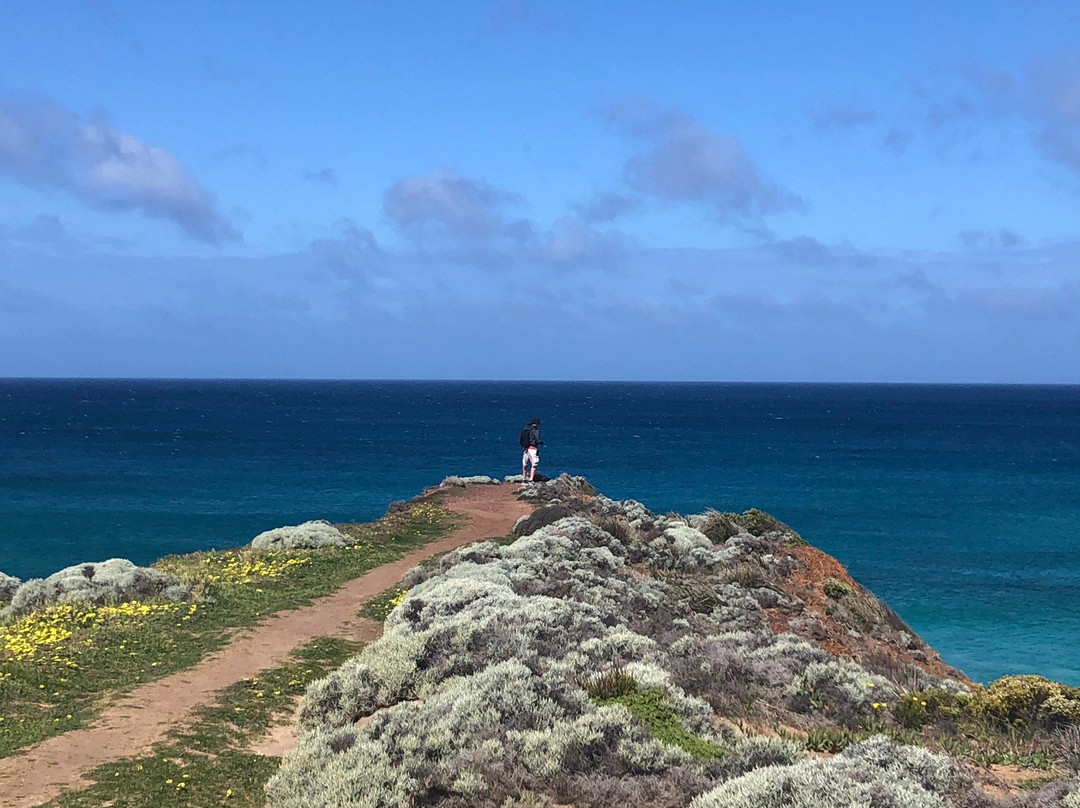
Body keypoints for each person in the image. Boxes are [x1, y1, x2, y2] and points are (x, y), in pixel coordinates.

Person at [519, 418, 542, 482]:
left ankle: (524, 478)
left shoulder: (526, 428)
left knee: (525, 464)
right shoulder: (535, 430)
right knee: (534, 463)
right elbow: (537, 439)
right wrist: (540, 442)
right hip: (532, 448)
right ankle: (531, 479)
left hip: (526, 448)